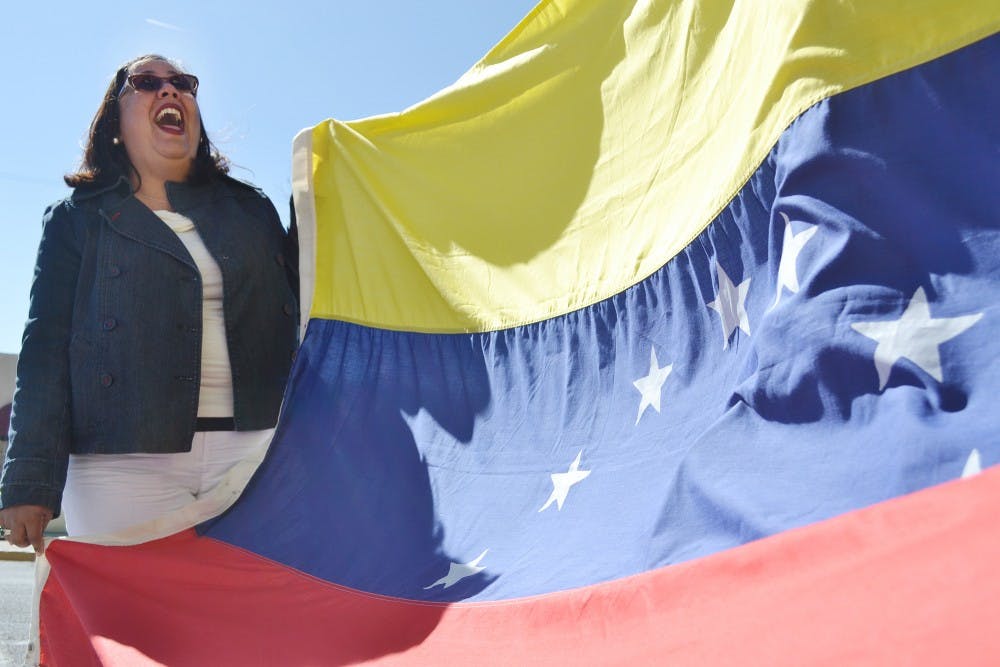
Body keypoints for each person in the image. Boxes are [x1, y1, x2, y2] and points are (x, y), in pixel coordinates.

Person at [0, 54, 299, 553]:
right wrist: (30, 481)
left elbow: (313, 300)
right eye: (146, 83)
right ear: (115, 120)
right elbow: (45, 352)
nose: (169, 90)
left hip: (257, 454)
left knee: (255, 625)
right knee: (136, 627)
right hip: (118, 465)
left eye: (183, 83)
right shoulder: (78, 219)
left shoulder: (251, 210)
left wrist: (330, 187)